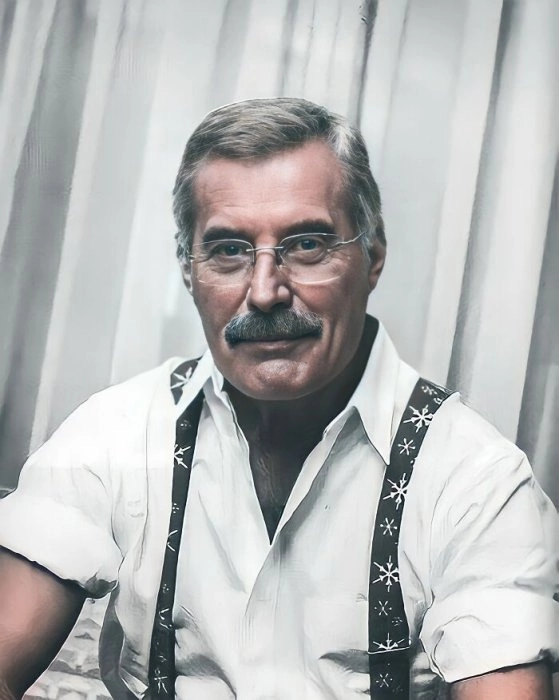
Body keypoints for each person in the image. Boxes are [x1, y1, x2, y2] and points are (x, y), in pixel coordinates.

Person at [0, 98, 556, 700]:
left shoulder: (478, 481)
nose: (265, 292)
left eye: (307, 244)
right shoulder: (115, 433)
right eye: (229, 250)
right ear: (188, 270)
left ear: (372, 257)